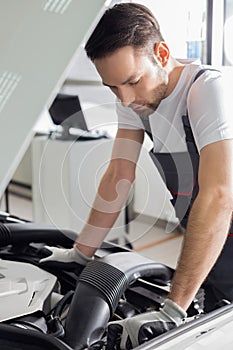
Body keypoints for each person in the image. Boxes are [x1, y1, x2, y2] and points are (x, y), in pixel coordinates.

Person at [40, 3, 233, 349]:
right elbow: (118, 174)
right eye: (113, 88)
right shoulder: (134, 100)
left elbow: (219, 195)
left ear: (161, 53)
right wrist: (81, 253)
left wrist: (174, 308)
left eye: (132, 81)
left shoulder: (206, 89)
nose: (125, 99)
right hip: (214, 246)